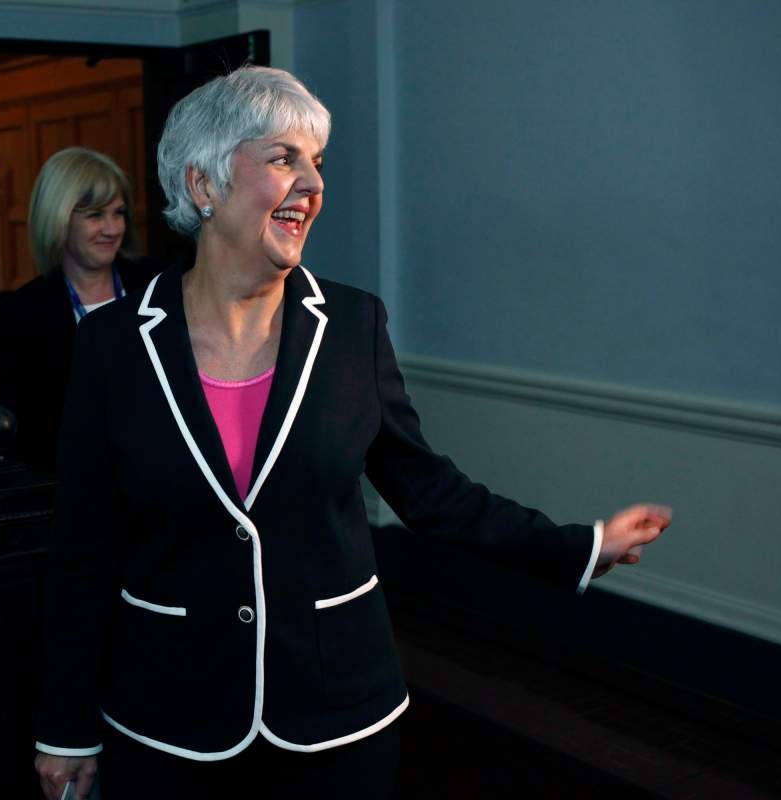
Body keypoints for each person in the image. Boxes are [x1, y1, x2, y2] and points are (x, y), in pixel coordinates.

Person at [33, 67, 671, 800]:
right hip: (171, 715)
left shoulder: (354, 328)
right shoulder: (115, 344)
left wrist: (577, 547)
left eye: (318, 163)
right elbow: (82, 550)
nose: (312, 184)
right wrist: (66, 727)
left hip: (335, 715)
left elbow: (429, 490)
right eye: (283, 159)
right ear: (203, 186)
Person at [0, 147, 157, 471]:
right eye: (95, 215)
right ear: (59, 218)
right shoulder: (23, 313)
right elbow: (10, 430)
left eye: (118, 213)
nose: (112, 228)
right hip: (69, 487)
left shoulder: (158, 285)